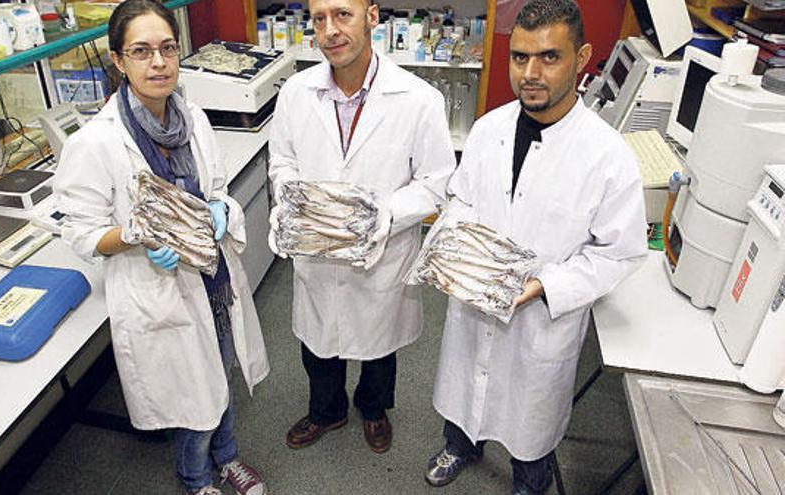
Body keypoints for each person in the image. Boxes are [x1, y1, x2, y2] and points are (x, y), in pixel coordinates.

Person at [423, 1, 648, 494]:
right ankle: (460, 443)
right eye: (520, 57)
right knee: (465, 390)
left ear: (582, 56)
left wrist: (546, 284)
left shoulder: (607, 157)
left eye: (549, 57)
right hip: (475, 301)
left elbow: (620, 252)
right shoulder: (488, 131)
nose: (531, 73)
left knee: (531, 419)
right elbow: (461, 197)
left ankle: (531, 477)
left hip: (542, 319)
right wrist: (457, 244)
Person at [53, 1, 269, 494]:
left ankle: (228, 455)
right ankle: (196, 478)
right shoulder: (97, 143)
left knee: (221, 370)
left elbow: (216, 188)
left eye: (168, 48)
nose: (158, 62)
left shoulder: (190, 117)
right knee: (193, 392)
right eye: (142, 51)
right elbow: (80, 234)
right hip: (158, 287)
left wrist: (219, 210)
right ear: (118, 60)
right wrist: (137, 236)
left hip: (212, 276)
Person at [268, 0, 456, 454]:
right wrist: (297, 202)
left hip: (381, 252)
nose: (330, 30)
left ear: (372, 17)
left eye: (343, 15)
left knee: (378, 341)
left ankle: (373, 408)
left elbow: (436, 183)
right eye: (319, 19)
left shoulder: (418, 99)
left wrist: (381, 214)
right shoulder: (296, 92)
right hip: (317, 250)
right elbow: (282, 161)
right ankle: (326, 411)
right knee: (317, 338)